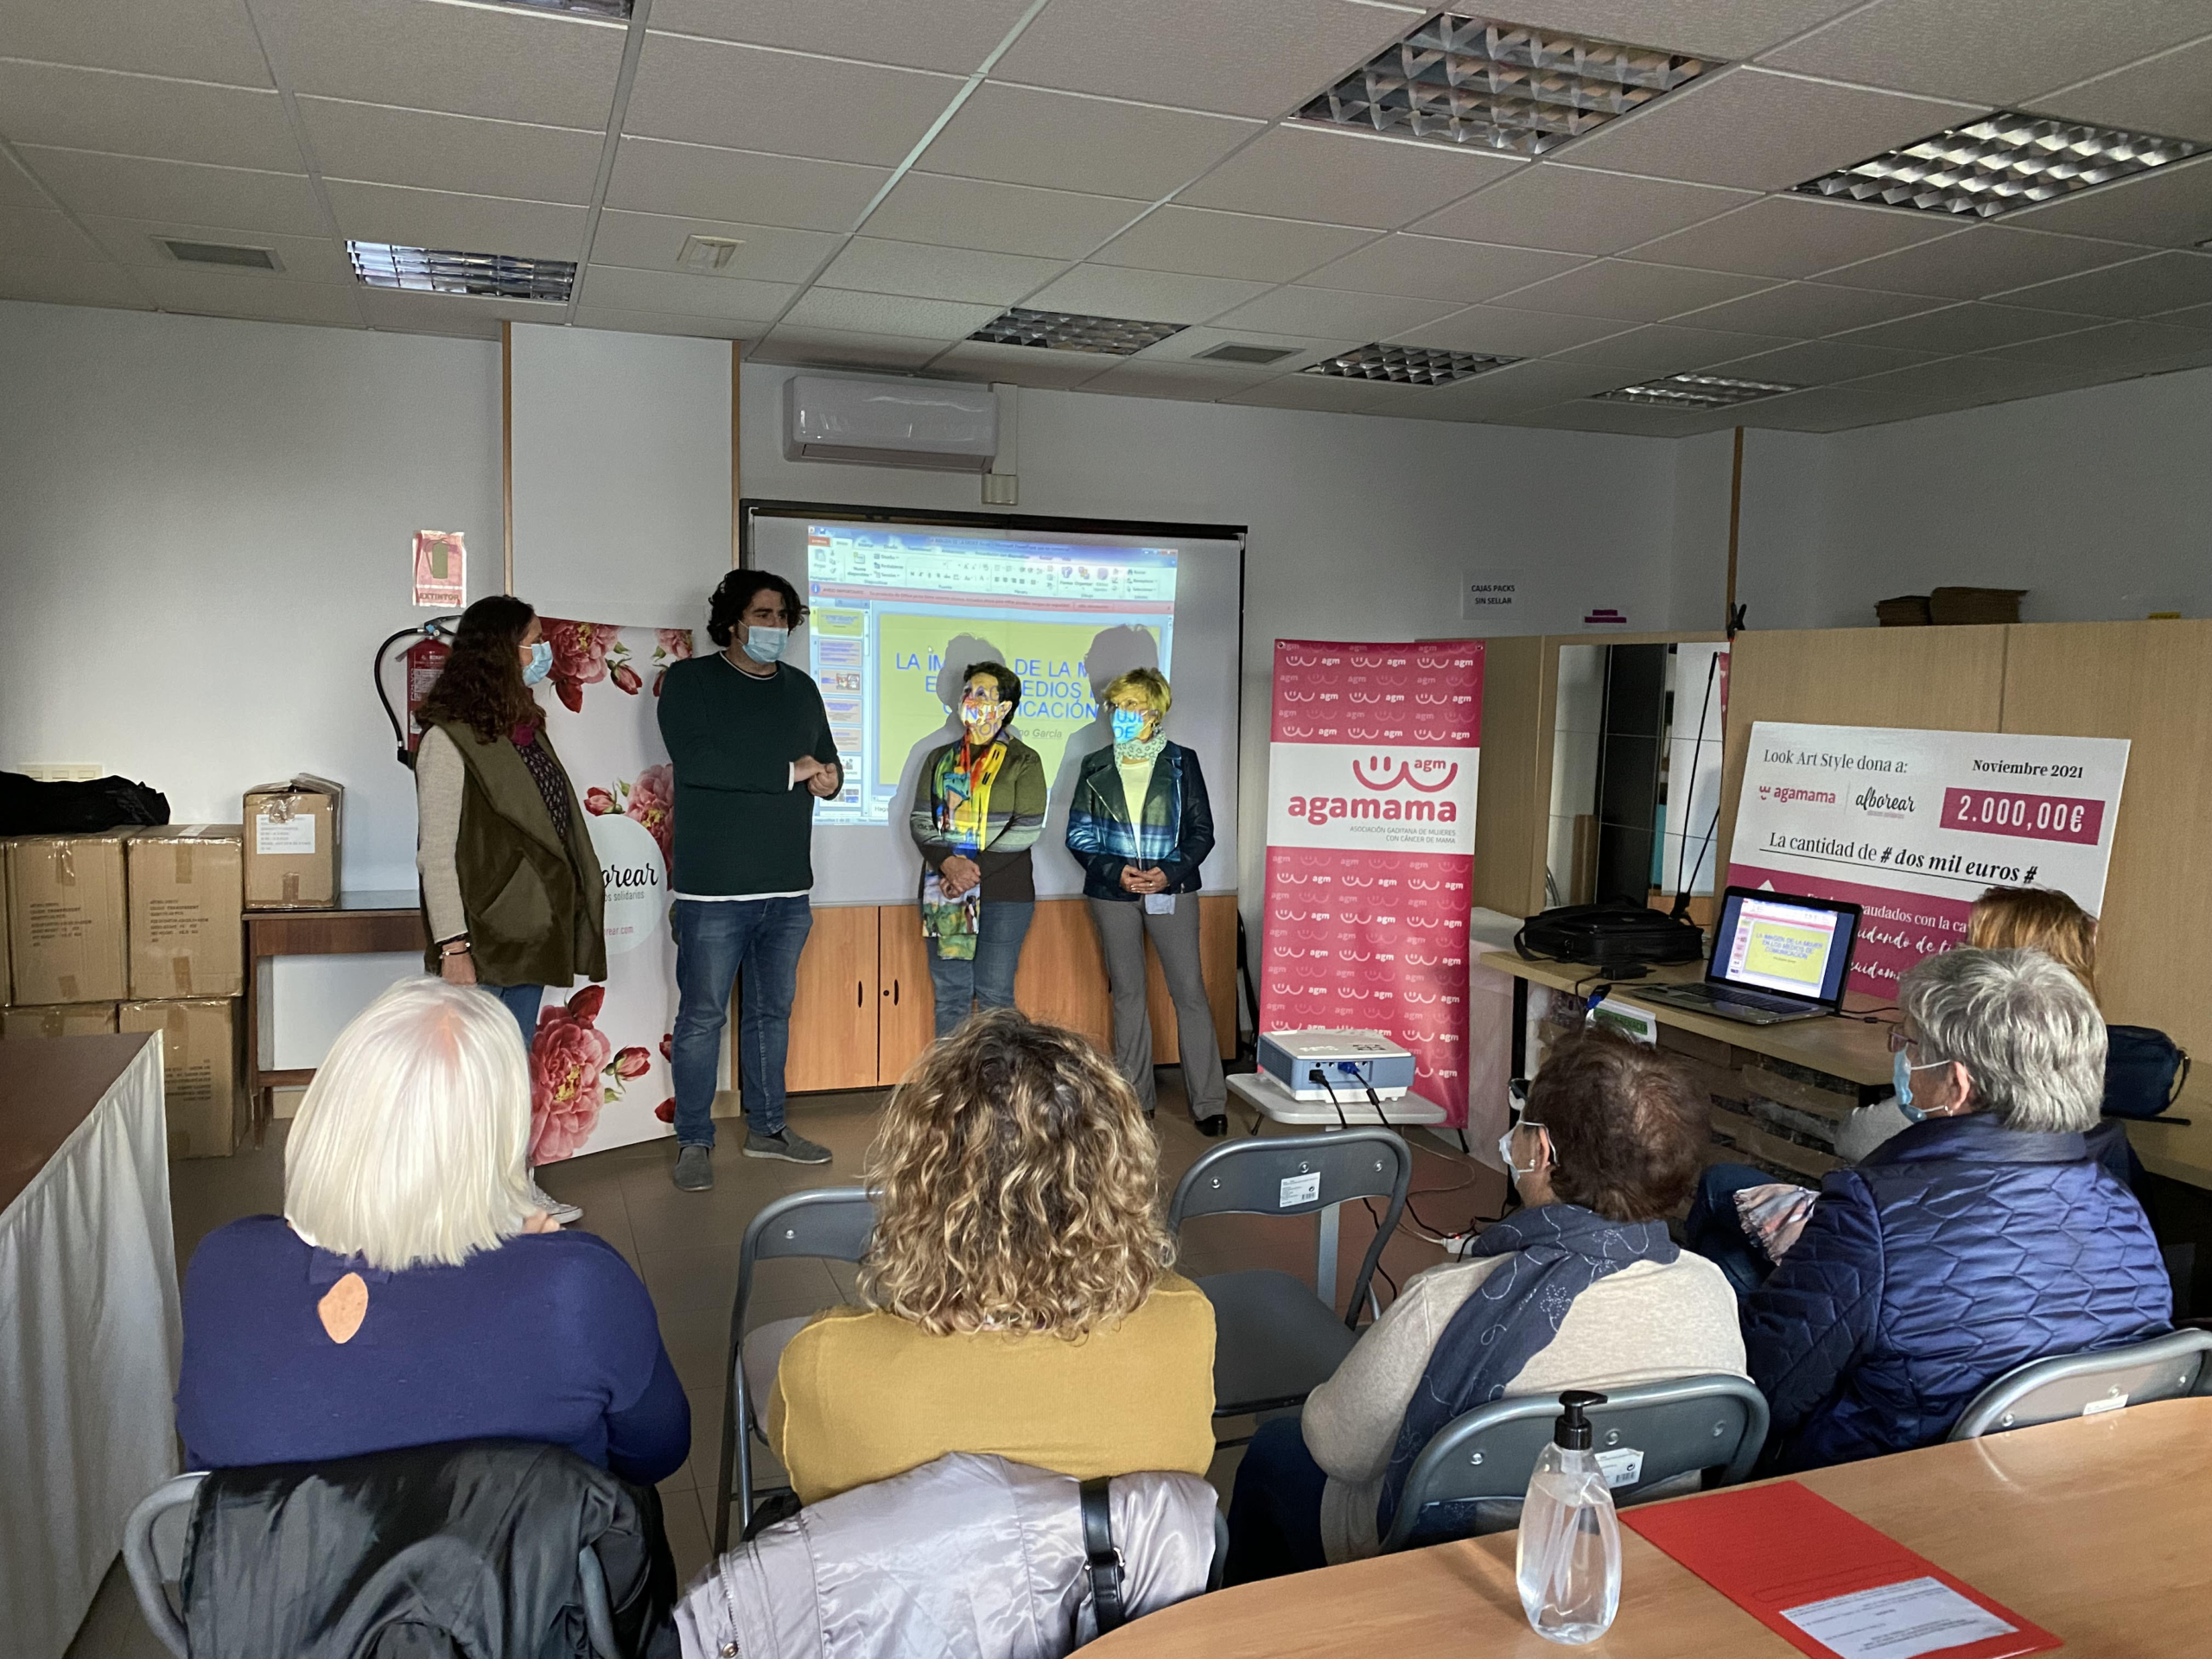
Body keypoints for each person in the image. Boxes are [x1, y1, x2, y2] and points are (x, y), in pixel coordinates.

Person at [1224, 1028, 1745, 1582]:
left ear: (1541, 1152)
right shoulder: (1711, 1290)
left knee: (1276, 1448)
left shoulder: (1445, 1302)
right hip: (1632, 1548)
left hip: (1451, 1558)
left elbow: (1335, 1447)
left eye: (1523, 1119)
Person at [175, 977, 689, 1486]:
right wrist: (536, 1269)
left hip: (280, 1569)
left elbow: (206, 1466)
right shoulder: (580, 1287)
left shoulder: (224, 1265)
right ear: (499, 1130)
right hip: (515, 1567)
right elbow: (654, 1454)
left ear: (331, 1108)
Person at [1743, 947, 2171, 1472]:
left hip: (1881, 1497)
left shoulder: (1874, 1210)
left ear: (1959, 1084)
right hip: (2069, 1491)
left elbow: (1769, 1391)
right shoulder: (2119, 1204)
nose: (1901, 1057)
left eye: (1911, 1043)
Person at [767, 1010, 1216, 1506]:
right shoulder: (1184, 1325)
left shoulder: (827, 1362)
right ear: (1118, 1175)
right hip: (1114, 1585)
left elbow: (803, 1480)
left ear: (921, 1183)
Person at [1688, 886, 2139, 1293]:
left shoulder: (1878, 1204)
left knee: (1720, 1206)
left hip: (1907, 1260)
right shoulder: (2118, 1208)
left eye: (1969, 940)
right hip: (2015, 1285)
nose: (1956, 948)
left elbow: (1858, 1139)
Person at [414, 594, 605, 1225]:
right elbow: (436, 855)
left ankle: (512, 1188)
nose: (542, 653)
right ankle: (469, 1203)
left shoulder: (526, 728)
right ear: (499, 651)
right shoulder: (449, 740)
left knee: (508, 1074)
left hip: (530, 931)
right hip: (483, 939)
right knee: (473, 1080)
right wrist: (454, 947)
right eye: (531, 641)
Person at [658, 569, 841, 1190]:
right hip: (713, 891)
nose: (774, 627)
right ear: (733, 621)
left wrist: (830, 778)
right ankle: (694, 1140)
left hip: (788, 888)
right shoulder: (690, 681)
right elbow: (698, 761)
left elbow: (827, 757)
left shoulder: (802, 688)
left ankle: (768, 1129)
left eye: (783, 616)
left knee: (771, 1014)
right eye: (762, 615)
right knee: (703, 1016)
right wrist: (791, 772)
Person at [1065, 668, 1227, 1136]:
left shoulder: (1181, 762)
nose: (1121, 714)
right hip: (1112, 894)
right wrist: (1117, 871)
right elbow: (1077, 834)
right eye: (1117, 706)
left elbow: (1202, 831)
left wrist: (1167, 872)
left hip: (1171, 890)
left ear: (1155, 712)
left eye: (1133, 705)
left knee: (1190, 995)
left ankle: (1210, 1101)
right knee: (1129, 997)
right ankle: (1136, 1102)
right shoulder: (1094, 764)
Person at [908, 661, 1046, 1039]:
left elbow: (1027, 828)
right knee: (951, 996)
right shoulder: (938, 758)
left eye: (983, 693)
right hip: (946, 890)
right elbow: (921, 820)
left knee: (994, 996)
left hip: (1005, 895)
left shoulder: (1024, 760)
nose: (972, 698)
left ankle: (998, 1090)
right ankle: (949, 1093)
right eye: (968, 691)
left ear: (1005, 708)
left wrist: (972, 870)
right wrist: (950, 866)